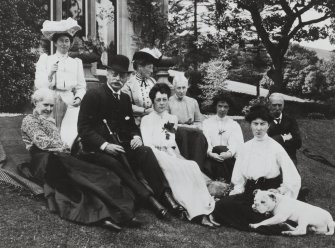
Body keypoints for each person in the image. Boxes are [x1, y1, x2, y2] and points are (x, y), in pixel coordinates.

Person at [20, 88, 140, 232]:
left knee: (96, 175)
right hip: (43, 160)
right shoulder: (29, 120)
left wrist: (63, 148)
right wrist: (64, 147)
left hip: (59, 156)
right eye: (45, 105)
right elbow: (43, 142)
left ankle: (118, 212)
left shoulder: (50, 120)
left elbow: (57, 143)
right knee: (77, 180)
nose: (49, 109)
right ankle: (102, 217)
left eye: (51, 105)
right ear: (35, 103)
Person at [77, 54, 178, 219]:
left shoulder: (124, 98)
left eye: (122, 75)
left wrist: (136, 136)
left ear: (127, 77)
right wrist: (104, 145)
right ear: (108, 73)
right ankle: (150, 200)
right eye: (114, 74)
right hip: (95, 149)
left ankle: (165, 195)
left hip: (119, 144)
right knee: (115, 163)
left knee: (145, 151)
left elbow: (130, 126)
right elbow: (83, 129)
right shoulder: (93, 95)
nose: (118, 78)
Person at [212, 105, 301, 235]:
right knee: (221, 206)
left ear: (268, 125)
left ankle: (275, 224)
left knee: (259, 212)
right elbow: (239, 177)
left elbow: (292, 175)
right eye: (255, 124)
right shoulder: (245, 147)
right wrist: (236, 192)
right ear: (250, 125)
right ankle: (263, 222)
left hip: (269, 193)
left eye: (262, 124)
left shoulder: (276, 147)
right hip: (250, 192)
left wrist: (280, 190)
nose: (259, 128)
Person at [140, 83, 217, 227]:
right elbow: (148, 144)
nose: (162, 103)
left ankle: (206, 207)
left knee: (192, 165)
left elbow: (172, 143)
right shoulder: (147, 120)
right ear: (153, 101)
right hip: (156, 154)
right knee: (180, 169)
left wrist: (179, 157)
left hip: (170, 152)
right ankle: (196, 212)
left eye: (164, 99)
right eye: (158, 100)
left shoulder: (172, 119)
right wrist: (167, 156)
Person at [35, 18, 86, 148]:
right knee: (51, 130)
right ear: (55, 43)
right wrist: (50, 74)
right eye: (61, 41)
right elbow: (39, 85)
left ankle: (66, 151)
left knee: (68, 134)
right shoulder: (46, 60)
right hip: (51, 98)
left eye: (67, 40)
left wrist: (79, 97)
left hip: (69, 99)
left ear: (71, 43)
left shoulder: (76, 63)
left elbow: (81, 87)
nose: (64, 44)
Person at [202, 93, 244, 182]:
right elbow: (206, 140)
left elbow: (236, 143)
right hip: (211, 157)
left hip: (228, 159)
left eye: (225, 107)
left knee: (222, 151)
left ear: (229, 108)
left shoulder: (234, 125)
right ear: (215, 106)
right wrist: (210, 153)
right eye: (220, 106)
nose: (222, 109)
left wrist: (229, 154)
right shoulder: (207, 123)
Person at [121, 47, 162, 125]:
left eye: (152, 68)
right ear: (140, 67)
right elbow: (126, 105)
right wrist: (144, 111)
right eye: (149, 67)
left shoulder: (152, 81)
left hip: (154, 120)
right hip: (136, 122)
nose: (152, 71)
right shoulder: (129, 84)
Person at [268, 93, 302, 166]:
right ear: (269, 105)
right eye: (274, 105)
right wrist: (284, 137)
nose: (277, 108)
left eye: (280, 105)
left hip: (289, 157)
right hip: (270, 158)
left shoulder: (290, 120)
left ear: (283, 105)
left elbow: (298, 143)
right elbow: (266, 143)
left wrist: (275, 139)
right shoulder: (265, 121)